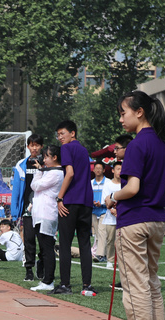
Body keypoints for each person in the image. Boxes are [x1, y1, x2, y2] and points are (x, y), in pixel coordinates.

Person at [105, 90, 165, 320]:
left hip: (134, 221)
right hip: (156, 220)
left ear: (139, 112)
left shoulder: (136, 145)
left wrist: (113, 197)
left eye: (124, 113)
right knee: (151, 281)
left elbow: (132, 188)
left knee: (135, 284)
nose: (121, 119)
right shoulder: (162, 145)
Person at [52, 120, 95, 296]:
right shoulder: (84, 150)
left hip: (70, 201)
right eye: (58, 135)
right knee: (84, 244)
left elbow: (69, 173)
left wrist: (59, 197)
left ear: (72, 133)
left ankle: (65, 285)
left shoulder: (66, 148)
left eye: (62, 133)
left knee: (65, 244)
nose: (59, 137)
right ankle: (87, 285)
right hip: (86, 201)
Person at [29, 145, 64, 291]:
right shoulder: (49, 172)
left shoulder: (56, 173)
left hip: (47, 214)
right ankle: (46, 279)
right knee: (44, 248)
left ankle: (48, 281)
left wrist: (39, 171)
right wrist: (41, 170)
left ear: (54, 157)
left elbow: (35, 186)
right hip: (41, 214)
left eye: (46, 157)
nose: (44, 160)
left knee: (47, 249)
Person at [11, 134, 45, 281]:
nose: (34, 148)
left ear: (41, 146)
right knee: (29, 239)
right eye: (32, 145)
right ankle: (29, 269)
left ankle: (42, 264)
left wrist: (43, 168)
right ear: (28, 147)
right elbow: (16, 190)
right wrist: (15, 212)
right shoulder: (21, 165)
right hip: (27, 210)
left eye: (37, 145)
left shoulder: (47, 163)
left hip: (44, 208)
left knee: (44, 240)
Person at [100, 161, 122, 269]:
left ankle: (122, 260)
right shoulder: (108, 184)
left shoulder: (125, 184)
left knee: (122, 240)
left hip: (123, 216)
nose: (120, 171)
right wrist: (113, 209)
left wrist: (119, 211)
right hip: (110, 217)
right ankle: (110, 260)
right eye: (118, 169)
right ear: (113, 170)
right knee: (110, 240)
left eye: (122, 169)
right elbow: (105, 200)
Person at [90, 161, 108, 261]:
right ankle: (101, 253)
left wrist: (102, 203)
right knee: (97, 234)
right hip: (93, 211)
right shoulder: (90, 183)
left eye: (100, 168)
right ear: (93, 170)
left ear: (104, 170)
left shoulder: (108, 182)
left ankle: (100, 255)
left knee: (102, 232)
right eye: (96, 168)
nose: (98, 170)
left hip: (104, 210)